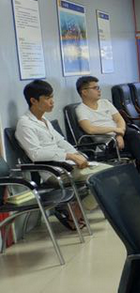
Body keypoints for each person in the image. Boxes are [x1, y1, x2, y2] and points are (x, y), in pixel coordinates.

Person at [16, 79, 110, 225]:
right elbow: (36, 154)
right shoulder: (25, 124)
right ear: (33, 101)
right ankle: (76, 211)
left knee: (112, 173)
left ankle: (75, 209)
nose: (52, 101)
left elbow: (61, 142)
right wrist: (69, 156)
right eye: (47, 98)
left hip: (68, 166)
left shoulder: (44, 120)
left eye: (52, 97)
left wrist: (78, 155)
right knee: (105, 177)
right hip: (54, 172)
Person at [74, 76, 140, 180]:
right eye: (95, 88)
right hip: (107, 142)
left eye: (98, 87)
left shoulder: (105, 103)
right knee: (136, 145)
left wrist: (119, 135)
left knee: (133, 133)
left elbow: (119, 120)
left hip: (120, 135)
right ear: (84, 92)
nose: (99, 90)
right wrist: (114, 130)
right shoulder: (81, 109)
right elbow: (90, 129)